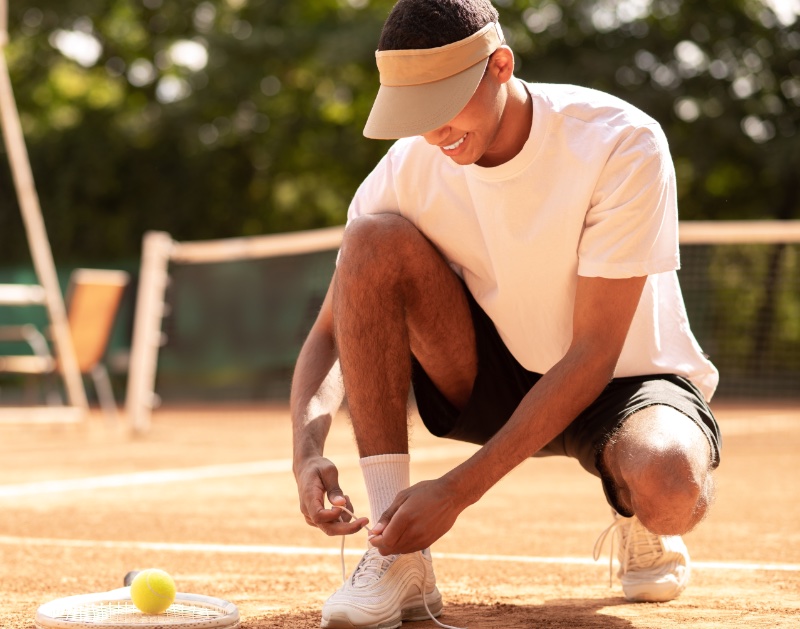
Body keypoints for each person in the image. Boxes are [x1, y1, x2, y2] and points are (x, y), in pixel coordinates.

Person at [290, 1, 722, 627]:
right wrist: (305, 450)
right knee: (369, 241)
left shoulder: (619, 142)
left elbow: (594, 353)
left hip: (622, 379)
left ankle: (633, 510)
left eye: (444, 105)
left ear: (499, 65)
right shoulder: (410, 167)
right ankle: (395, 553)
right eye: (416, 114)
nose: (434, 132)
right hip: (491, 371)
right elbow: (331, 332)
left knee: (671, 483)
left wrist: (456, 491)